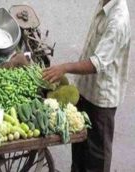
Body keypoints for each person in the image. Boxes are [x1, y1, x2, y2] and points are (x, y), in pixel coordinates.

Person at [42, 0, 131, 172]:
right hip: (86, 89)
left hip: (101, 99)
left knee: (96, 158)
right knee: (80, 150)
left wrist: (65, 68)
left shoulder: (118, 20)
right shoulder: (104, 4)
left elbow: (97, 63)